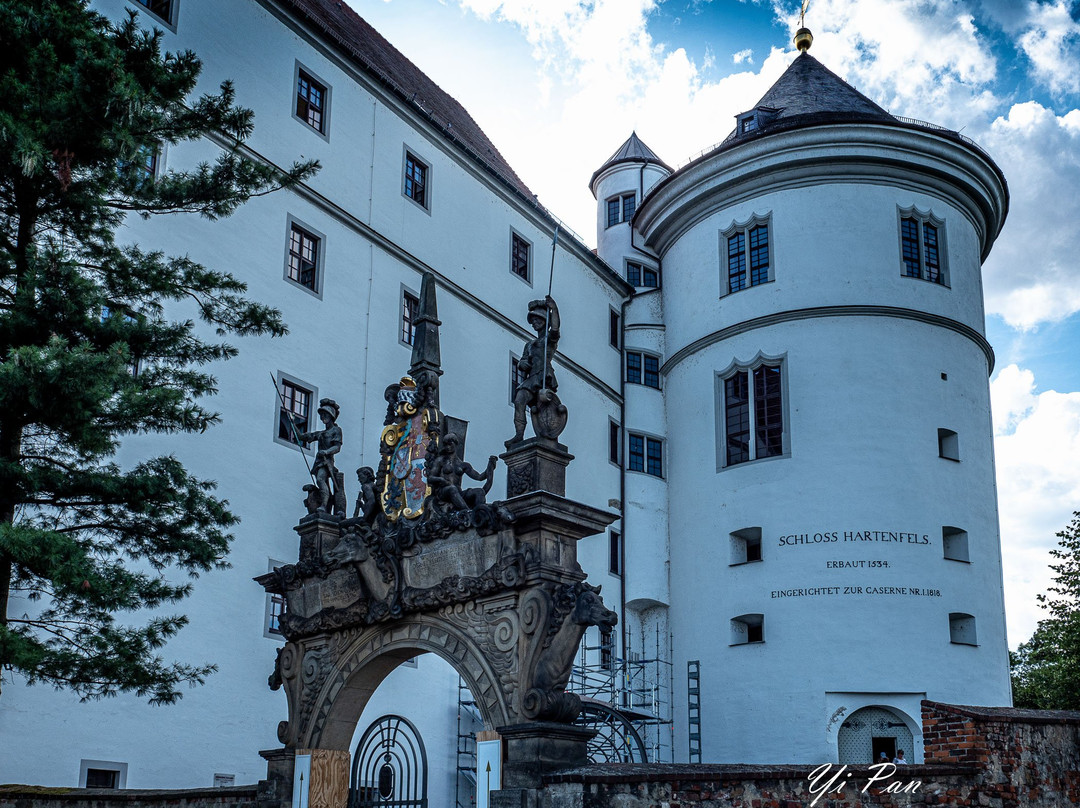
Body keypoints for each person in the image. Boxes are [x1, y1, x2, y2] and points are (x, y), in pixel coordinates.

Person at [511, 295, 560, 443]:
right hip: (531, 377)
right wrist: (522, 364)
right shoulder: (529, 345)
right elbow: (523, 360)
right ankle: (519, 434)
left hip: (544, 376)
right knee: (519, 400)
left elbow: (555, 328)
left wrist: (554, 309)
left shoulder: (549, 340)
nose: (534, 323)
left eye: (537, 320)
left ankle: (547, 432)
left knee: (543, 406)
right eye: (532, 321)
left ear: (545, 321)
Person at [427, 433, 497, 511]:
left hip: (458, 493)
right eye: (446, 445)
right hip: (443, 492)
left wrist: (490, 467)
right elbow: (430, 478)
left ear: (455, 444)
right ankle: (468, 512)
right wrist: (441, 480)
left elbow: (479, 477)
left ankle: (480, 512)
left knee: (479, 491)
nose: (448, 447)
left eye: (450, 444)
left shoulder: (462, 464)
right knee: (452, 489)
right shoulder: (440, 460)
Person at [298, 398, 342, 513]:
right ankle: (327, 505)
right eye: (321, 415)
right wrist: (293, 423)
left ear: (331, 415)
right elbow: (303, 437)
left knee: (320, 479)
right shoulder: (321, 433)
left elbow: (337, 447)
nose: (322, 417)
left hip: (327, 462)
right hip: (319, 461)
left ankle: (323, 505)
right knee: (324, 483)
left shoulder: (336, 430)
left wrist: (326, 452)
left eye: (325, 414)